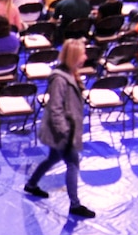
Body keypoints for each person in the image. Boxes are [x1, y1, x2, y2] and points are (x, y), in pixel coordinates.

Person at [25, 38, 93, 217]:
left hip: (64, 130)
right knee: (72, 163)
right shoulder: (60, 80)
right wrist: (66, 134)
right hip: (62, 132)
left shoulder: (70, 74)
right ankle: (75, 205)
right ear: (74, 56)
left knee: (52, 158)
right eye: (83, 53)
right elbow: (55, 108)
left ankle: (31, 184)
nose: (86, 56)